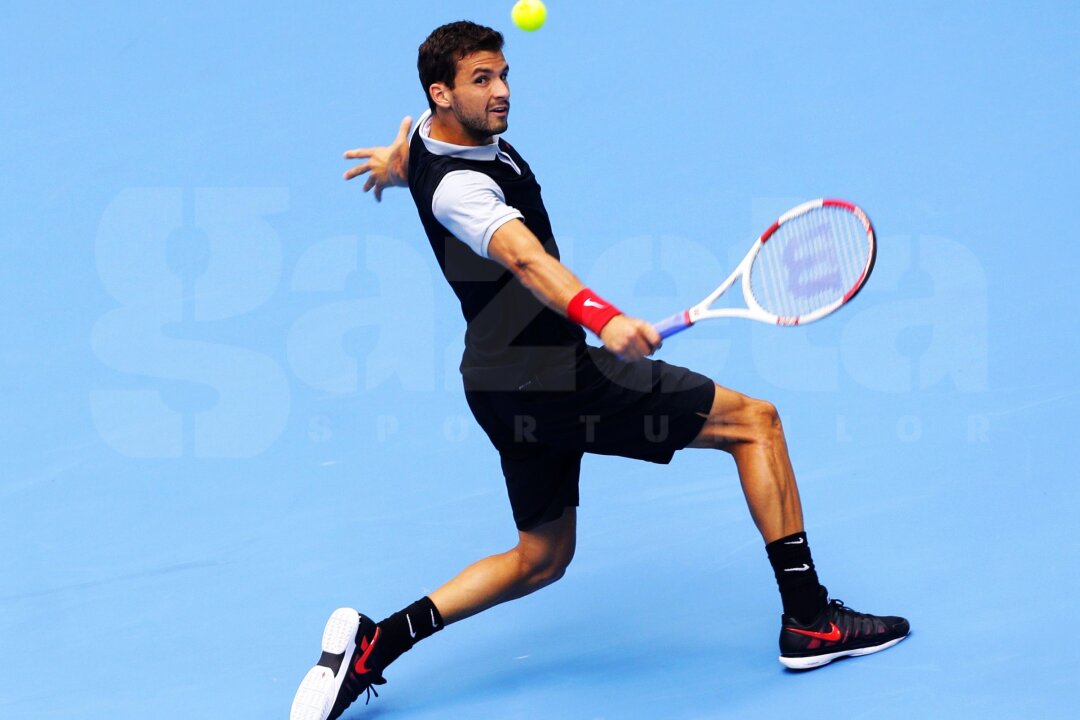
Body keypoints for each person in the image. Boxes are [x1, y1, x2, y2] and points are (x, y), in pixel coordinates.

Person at [289, 21, 909, 720]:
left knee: (542, 558)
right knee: (755, 424)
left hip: (495, 384)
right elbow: (526, 258)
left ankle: (375, 644)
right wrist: (604, 317)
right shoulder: (461, 188)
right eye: (481, 80)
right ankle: (811, 621)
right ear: (442, 93)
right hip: (557, 380)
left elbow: (419, 158)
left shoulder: (433, 141)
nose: (501, 91)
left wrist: (395, 161)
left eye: (503, 74)